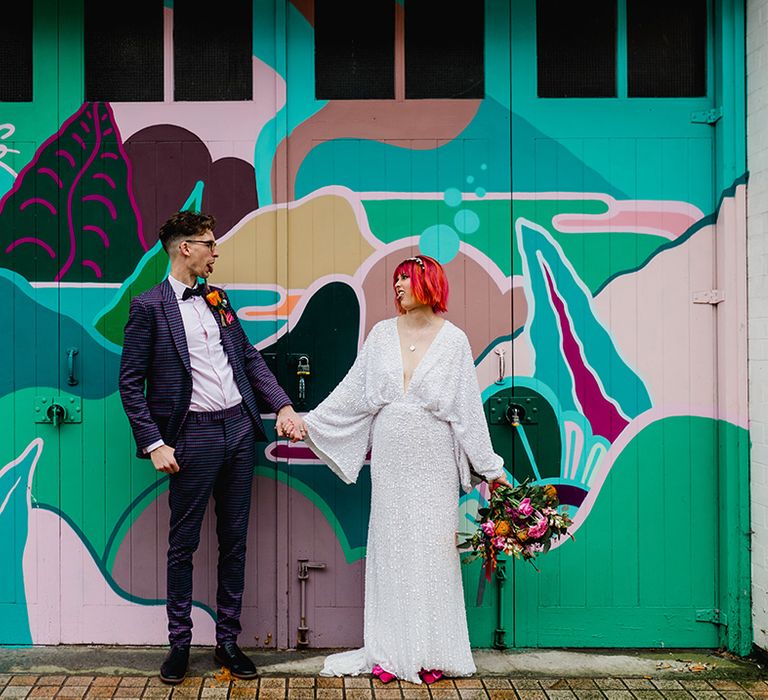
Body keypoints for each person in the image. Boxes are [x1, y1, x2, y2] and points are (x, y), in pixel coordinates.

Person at [300, 254, 510, 684]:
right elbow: (352, 394)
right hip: (392, 457)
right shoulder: (379, 335)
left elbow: (468, 412)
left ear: (428, 284)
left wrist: (491, 469)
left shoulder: (454, 342)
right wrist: (309, 424)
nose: (396, 287)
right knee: (391, 551)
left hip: (434, 458)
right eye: (394, 280)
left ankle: (433, 651)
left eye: (405, 279)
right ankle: (390, 652)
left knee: (433, 552)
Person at [119, 210, 306, 685]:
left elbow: (247, 358)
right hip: (192, 438)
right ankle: (179, 645)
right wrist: (154, 443)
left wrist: (281, 406)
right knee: (183, 546)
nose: (215, 251)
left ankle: (227, 642)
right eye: (209, 244)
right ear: (186, 248)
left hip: (239, 432)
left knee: (235, 543)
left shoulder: (219, 300)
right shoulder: (148, 307)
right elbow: (129, 384)